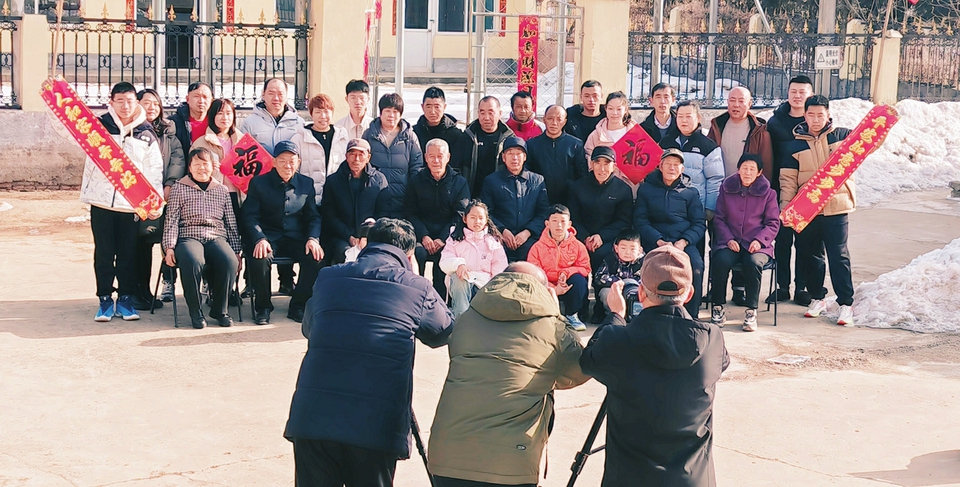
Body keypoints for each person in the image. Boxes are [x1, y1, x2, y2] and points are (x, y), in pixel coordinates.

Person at [285, 218, 454, 487]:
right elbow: (443, 332)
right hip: (375, 424)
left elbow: (310, 327)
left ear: (366, 244)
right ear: (410, 254)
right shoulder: (417, 286)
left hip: (314, 416)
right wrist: (417, 279)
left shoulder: (329, 276)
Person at [428, 261, 589, 487]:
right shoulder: (553, 327)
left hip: (447, 456)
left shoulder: (467, 318)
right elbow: (579, 371)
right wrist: (557, 315)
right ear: (545, 291)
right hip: (510, 463)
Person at [580, 245, 729, 487]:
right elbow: (721, 363)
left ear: (640, 293)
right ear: (689, 294)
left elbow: (588, 361)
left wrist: (616, 315)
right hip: (691, 479)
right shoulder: (711, 339)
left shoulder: (618, 340)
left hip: (630, 478)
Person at [82, 82, 164, 322]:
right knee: (104, 254)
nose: (125, 106)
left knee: (128, 254)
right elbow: (67, 130)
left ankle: (126, 299)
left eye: (130, 101)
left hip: (131, 206)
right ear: (111, 102)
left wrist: (154, 202)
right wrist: (53, 100)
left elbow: (154, 171)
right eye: (120, 101)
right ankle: (105, 300)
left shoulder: (146, 133)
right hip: (102, 203)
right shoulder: (98, 127)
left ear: (136, 102)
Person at [779, 95, 855, 326]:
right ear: (804, 115)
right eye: (810, 114)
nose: (815, 119)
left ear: (828, 115)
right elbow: (788, 180)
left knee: (838, 255)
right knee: (810, 255)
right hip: (807, 210)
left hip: (836, 208)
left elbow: (867, 146)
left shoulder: (842, 136)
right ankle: (817, 297)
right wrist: (786, 209)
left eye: (820, 115)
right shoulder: (793, 145)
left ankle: (846, 303)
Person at [241, 140, 323, 325]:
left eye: (292, 161)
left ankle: (298, 306)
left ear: (298, 162)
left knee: (315, 257)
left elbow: (313, 217)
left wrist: (313, 238)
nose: (287, 165)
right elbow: (250, 217)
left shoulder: (306, 183)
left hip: (295, 237)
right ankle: (263, 307)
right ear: (273, 162)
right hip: (268, 237)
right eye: (282, 161)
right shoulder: (259, 183)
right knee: (260, 257)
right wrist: (260, 238)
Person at [706, 87, 773, 307]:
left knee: (746, 237)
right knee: (720, 241)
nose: (735, 105)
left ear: (750, 103)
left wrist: (761, 192)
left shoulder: (759, 130)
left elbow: (766, 164)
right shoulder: (717, 125)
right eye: (731, 100)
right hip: (722, 191)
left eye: (741, 101)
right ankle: (716, 289)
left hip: (750, 192)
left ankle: (740, 289)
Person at [162, 148, 241, 329]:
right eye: (196, 164)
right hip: (189, 236)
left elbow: (230, 222)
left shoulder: (221, 190)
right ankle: (196, 311)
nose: (201, 168)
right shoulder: (179, 188)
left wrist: (236, 251)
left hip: (216, 236)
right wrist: (169, 247)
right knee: (193, 260)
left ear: (213, 166)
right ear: (190, 167)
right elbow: (171, 220)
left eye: (205, 164)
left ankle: (220, 310)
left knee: (229, 261)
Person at [710, 154, 780, 331]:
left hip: (757, 245)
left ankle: (751, 311)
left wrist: (759, 240)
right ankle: (718, 307)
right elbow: (719, 219)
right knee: (720, 260)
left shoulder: (769, 193)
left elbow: (773, 223)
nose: (747, 172)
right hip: (730, 242)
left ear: (759, 172)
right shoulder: (726, 189)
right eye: (744, 168)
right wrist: (728, 239)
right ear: (738, 170)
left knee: (753, 262)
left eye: (752, 169)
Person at [633, 148, 706, 317]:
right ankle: (647, 313)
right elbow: (640, 220)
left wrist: (683, 242)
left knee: (696, 266)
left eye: (676, 164)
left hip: (682, 242)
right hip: (654, 240)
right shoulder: (646, 189)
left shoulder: (690, 192)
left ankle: (691, 315)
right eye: (668, 164)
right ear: (660, 166)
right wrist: (658, 240)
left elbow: (699, 224)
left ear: (682, 169)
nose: (672, 168)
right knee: (641, 265)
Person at [765, 75, 814, 306]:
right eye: (793, 91)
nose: (797, 96)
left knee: (804, 242)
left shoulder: (814, 121)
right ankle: (782, 286)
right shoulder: (775, 122)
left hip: (807, 190)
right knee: (782, 241)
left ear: (810, 95)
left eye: (802, 92)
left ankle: (801, 287)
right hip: (780, 189)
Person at [135, 88, 186, 308]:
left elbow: (177, 159)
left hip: (164, 198)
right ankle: (139, 292)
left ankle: (165, 284)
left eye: (156, 104)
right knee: (140, 246)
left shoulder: (168, 131)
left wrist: (170, 184)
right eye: (147, 103)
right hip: (137, 198)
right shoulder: (132, 130)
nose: (152, 107)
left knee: (165, 242)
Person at [404, 139, 470, 298]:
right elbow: (409, 212)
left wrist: (443, 238)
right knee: (417, 254)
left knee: (445, 259)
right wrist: (424, 236)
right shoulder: (416, 181)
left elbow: (460, 214)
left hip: (448, 235)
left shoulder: (459, 182)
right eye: (432, 156)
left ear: (448, 157)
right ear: (425, 157)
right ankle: (415, 298)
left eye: (440, 156)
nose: (436, 160)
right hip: (421, 235)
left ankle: (441, 304)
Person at [479, 136, 550, 262]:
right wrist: (502, 230)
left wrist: (527, 232)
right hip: (499, 237)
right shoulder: (491, 181)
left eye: (518, 153)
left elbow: (543, 212)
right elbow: (486, 212)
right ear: (503, 157)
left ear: (525, 157)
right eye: (510, 153)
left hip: (529, 238)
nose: (515, 158)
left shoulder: (538, 180)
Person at [320, 139, 389, 265]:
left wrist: (366, 235)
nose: (356, 159)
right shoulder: (333, 181)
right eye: (352, 154)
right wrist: (349, 237)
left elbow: (383, 213)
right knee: (343, 254)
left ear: (368, 157)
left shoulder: (379, 180)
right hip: (341, 237)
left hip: (371, 236)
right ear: (346, 156)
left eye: (361, 155)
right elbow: (329, 216)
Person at [567, 146, 633, 273]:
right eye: (597, 163)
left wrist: (601, 236)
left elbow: (624, 221)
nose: (602, 169)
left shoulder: (623, 189)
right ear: (591, 164)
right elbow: (573, 218)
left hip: (609, 239)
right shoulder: (577, 187)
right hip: (581, 238)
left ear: (614, 166)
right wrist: (585, 237)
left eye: (606, 163)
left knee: (605, 254)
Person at [438, 200, 508, 317]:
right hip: (461, 286)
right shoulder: (455, 238)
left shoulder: (493, 242)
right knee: (459, 277)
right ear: (465, 218)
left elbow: (500, 268)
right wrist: (459, 264)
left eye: (481, 218)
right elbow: (444, 261)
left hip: (484, 286)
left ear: (486, 220)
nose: (477, 221)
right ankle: (461, 319)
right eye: (473, 217)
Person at [528, 204, 592, 331]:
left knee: (579, 280)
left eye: (563, 221)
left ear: (569, 224)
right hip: (547, 286)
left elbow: (585, 268)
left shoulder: (578, 246)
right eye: (554, 221)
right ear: (547, 223)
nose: (559, 225)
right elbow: (533, 273)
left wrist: (566, 272)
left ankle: (572, 315)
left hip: (567, 286)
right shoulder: (537, 248)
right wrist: (553, 289)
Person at [362, 93, 424, 219]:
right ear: (380, 113)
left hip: (402, 200)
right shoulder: (369, 135)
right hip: (376, 199)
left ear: (400, 114)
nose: (391, 115)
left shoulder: (409, 137)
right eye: (387, 111)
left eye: (395, 111)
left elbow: (416, 166)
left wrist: (412, 193)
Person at [452, 95, 515, 196]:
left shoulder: (509, 138)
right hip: (471, 193)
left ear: (500, 114)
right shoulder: (467, 137)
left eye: (491, 113)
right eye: (482, 113)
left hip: (500, 195)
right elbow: (455, 168)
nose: (486, 117)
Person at [526, 104, 588, 206]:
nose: (554, 123)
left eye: (559, 119)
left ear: (565, 121)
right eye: (550, 118)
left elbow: (581, 174)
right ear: (544, 119)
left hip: (568, 198)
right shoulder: (532, 144)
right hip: (539, 197)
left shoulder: (575, 144)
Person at [583, 91, 640, 193]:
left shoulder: (637, 134)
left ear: (626, 110)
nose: (614, 113)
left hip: (631, 190)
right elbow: (588, 160)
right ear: (605, 109)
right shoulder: (595, 135)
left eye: (619, 109)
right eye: (610, 108)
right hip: (602, 191)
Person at [239, 78, 304, 156]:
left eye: (280, 94)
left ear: (286, 96)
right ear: (263, 94)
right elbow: (242, 153)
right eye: (271, 93)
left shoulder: (299, 123)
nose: (276, 98)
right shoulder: (249, 123)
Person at [190, 98, 242, 194]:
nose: (225, 117)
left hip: (238, 194)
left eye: (228, 113)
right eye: (220, 113)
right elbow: (192, 172)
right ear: (212, 116)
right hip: (212, 195)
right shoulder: (201, 143)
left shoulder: (243, 141)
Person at [594, 229, 645, 321]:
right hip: (615, 290)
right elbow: (599, 276)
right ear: (616, 248)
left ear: (639, 250)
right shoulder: (610, 259)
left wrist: (631, 283)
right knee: (605, 293)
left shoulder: (645, 261)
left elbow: (650, 279)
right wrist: (617, 282)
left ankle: (636, 317)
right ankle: (613, 317)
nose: (627, 252)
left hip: (635, 292)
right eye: (623, 248)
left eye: (632, 249)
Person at [301, 93, 349, 176]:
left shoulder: (341, 136)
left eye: (326, 112)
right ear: (311, 114)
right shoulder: (301, 137)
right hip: (309, 184)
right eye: (318, 112)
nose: (323, 116)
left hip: (336, 184)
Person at [412, 86, 462, 155]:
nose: (432, 112)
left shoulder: (455, 135)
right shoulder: (413, 133)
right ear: (422, 107)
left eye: (437, 107)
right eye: (428, 107)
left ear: (444, 107)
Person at [167, 81, 213, 157]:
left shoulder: (217, 122)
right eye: (196, 96)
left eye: (205, 97)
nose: (201, 101)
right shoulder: (173, 123)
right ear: (187, 99)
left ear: (211, 100)